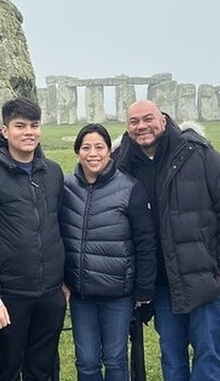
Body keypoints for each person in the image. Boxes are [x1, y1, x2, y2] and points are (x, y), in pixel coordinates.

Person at [113, 100, 220, 381]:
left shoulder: (197, 152)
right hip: (162, 284)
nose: (142, 127)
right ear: (127, 128)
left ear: (163, 119)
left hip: (206, 278)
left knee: (208, 358)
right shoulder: (122, 162)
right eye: (134, 122)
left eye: (148, 119)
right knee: (172, 359)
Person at [0, 97, 66, 381]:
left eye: (34, 126)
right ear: (5, 131)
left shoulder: (54, 172)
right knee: (9, 368)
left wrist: (64, 281)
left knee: (43, 368)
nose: (28, 132)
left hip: (50, 292)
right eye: (20, 126)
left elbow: (59, 227)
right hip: (10, 294)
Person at [60, 123, 157, 381]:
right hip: (81, 294)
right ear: (77, 152)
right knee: (87, 362)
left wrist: (143, 288)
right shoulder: (66, 188)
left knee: (115, 359)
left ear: (109, 151)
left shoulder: (129, 188)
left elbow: (145, 242)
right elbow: (57, 236)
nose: (93, 153)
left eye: (100, 147)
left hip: (118, 294)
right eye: (86, 147)